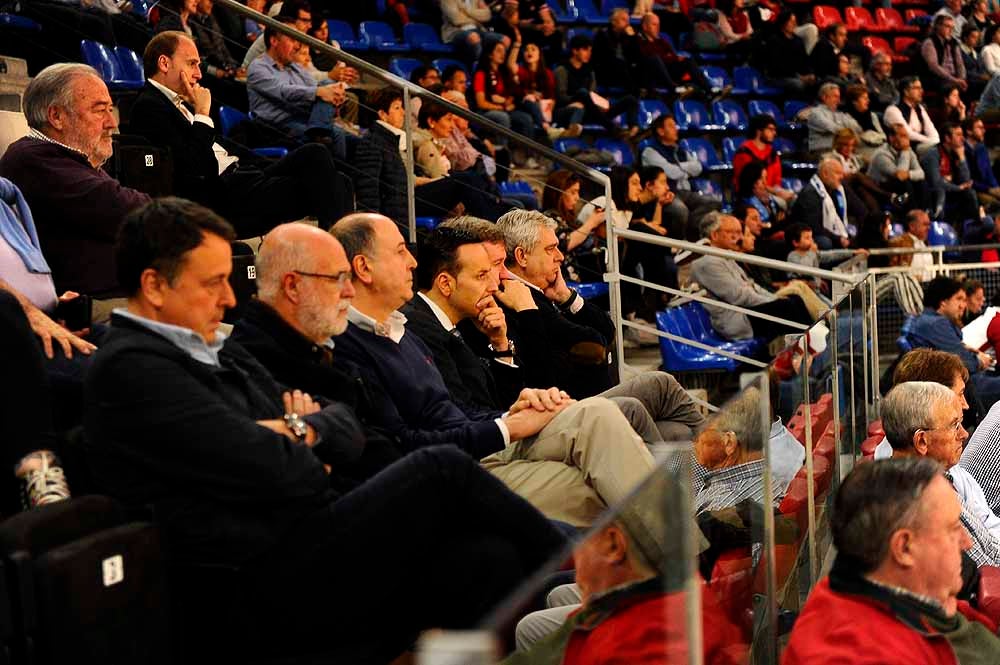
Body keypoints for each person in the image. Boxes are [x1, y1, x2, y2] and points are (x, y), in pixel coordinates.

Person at [84, 198, 569, 663]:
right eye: (213, 283)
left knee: (486, 560)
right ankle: (585, 567)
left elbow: (342, 429)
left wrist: (298, 431)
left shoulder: (210, 350)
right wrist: (305, 437)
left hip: (298, 532)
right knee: (439, 469)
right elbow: (269, 463)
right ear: (153, 285)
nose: (230, 298)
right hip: (247, 576)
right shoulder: (132, 367)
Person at [329, 213, 662, 527]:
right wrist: (507, 424)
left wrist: (505, 359)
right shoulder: (396, 334)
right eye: (484, 273)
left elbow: (595, 337)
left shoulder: (403, 329)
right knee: (598, 468)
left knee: (606, 420)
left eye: (497, 267)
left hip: (485, 436)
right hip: (466, 459)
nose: (498, 281)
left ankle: (692, 529)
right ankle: (689, 548)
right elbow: (408, 440)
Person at [405, 221, 706, 442]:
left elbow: (602, 336)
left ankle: (719, 478)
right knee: (651, 394)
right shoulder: (492, 309)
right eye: (489, 269)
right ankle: (710, 484)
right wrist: (526, 319)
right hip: (549, 410)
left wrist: (564, 296)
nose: (499, 278)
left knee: (672, 424)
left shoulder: (517, 299)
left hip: (550, 406)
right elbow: (541, 379)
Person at [503, 468, 746, 665]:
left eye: (582, 537)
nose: (575, 555)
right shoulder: (647, 605)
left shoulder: (633, 645)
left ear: (613, 545)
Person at [782, 458, 1000, 664]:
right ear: (904, 548)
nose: (967, 542)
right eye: (953, 529)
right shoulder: (857, 654)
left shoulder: (912, 595)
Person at [132, 32, 350, 236]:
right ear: (164, 63)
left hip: (243, 176)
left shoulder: (182, 100)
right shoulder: (149, 106)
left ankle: (339, 251)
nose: (198, 74)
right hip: (223, 197)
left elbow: (218, 148)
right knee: (325, 167)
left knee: (333, 174)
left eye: (198, 65)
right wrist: (201, 114)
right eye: (192, 64)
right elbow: (196, 169)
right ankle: (339, 253)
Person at [0, 63, 151, 311]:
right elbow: (128, 211)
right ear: (56, 116)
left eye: (110, 110)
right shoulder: (31, 159)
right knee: (223, 342)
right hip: (93, 306)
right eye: (100, 110)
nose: (111, 123)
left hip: (128, 295)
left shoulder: (71, 158)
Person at [493, 209, 617, 397]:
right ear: (522, 256)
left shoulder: (538, 291)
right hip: (576, 410)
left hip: (589, 404)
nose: (560, 256)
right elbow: (594, 343)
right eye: (550, 249)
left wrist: (566, 297)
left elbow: (607, 329)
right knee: (659, 387)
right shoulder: (517, 296)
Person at [878, 381, 1000, 567]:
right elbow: (985, 568)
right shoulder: (924, 501)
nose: (964, 434)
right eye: (954, 425)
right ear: (921, 441)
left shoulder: (936, 477)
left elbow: (990, 549)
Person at [355, 87, 511, 226]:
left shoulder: (393, 139)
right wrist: (373, 226)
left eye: (402, 107)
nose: (403, 112)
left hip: (407, 196)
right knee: (465, 180)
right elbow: (369, 190)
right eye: (397, 108)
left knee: (470, 178)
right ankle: (498, 226)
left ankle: (505, 217)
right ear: (382, 114)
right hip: (402, 202)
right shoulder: (373, 142)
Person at [689, 213, 815, 341]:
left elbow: (751, 284)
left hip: (748, 309)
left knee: (794, 299)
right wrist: (773, 302)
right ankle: (810, 347)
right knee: (785, 307)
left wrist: (774, 298)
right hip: (736, 319)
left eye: (739, 232)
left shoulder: (725, 256)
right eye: (733, 232)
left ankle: (813, 345)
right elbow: (739, 296)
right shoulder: (707, 262)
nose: (739, 237)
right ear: (715, 235)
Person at [245, 16, 349, 159]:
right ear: (274, 41)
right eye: (292, 39)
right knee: (335, 135)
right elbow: (283, 91)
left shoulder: (293, 66)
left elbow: (315, 86)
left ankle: (318, 133)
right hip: (276, 128)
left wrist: (334, 95)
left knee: (349, 137)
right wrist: (320, 92)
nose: (297, 46)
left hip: (304, 120)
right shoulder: (258, 67)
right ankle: (331, 171)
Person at [906, 276, 1000, 409]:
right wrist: (978, 360)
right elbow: (965, 364)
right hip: (954, 389)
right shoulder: (936, 324)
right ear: (943, 302)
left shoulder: (927, 320)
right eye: (959, 299)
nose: (963, 305)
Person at [640, 112, 722, 240]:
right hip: (665, 192)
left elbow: (698, 167)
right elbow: (670, 173)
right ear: (661, 131)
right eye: (671, 126)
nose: (676, 129)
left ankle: (691, 235)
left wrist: (679, 167)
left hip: (685, 191)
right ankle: (681, 245)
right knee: (680, 210)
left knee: (713, 202)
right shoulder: (650, 151)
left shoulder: (679, 149)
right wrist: (686, 169)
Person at [553, 33, 639, 139]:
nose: (588, 53)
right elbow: (560, 98)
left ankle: (633, 131)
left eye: (590, 50)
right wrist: (577, 102)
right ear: (575, 51)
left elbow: (593, 95)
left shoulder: (590, 71)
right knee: (582, 92)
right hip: (570, 110)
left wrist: (599, 104)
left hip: (591, 111)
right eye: (585, 50)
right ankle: (611, 128)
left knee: (630, 99)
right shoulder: (562, 70)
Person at [635, 12, 715, 96]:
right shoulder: (639, 39)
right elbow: (646, 56)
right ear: (645, 26)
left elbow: (673, 56)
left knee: (687, 60)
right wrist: (668, 57)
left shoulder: (661, 41)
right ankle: (673, 87)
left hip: (667, 71)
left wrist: (671, 58)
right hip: (651, 75)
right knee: (655, 58)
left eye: (659, 25)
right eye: (654, 25)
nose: (658, 28)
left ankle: (709, 89)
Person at [788, 157, 854, 250]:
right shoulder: (810, 194)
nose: (841, 177)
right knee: (825, 242)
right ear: (825, 174)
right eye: (837, 173)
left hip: (820, 232)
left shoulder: (834, 191)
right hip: (805, 235)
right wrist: (838, 238)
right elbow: (815, 228)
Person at [920, 122, 979, 225]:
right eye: (958, 135)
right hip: (933, 193)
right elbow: (936, 182)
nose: (963, 138)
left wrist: (962, 159)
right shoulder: (932, 154)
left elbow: (966, 181)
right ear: (947, 138)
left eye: (962, 134)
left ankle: (973, 228)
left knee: (970, 193)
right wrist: (958, 188)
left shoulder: (957, 152)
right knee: (940, 191)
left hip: (950, 190)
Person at [731, 114, 794, 205]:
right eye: (770, 129)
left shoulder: (772, 153)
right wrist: (776, 192)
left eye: (775, 130)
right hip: (749, 196)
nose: (774, 133)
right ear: (759, 130)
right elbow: (750, 185)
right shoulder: (744, 152)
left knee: (794, 199)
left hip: (769, 194)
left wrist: (780, 191)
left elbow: (776, 180)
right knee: (782, 203)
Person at [867, 123, 925, 213]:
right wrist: (905, 151)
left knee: (921, 183)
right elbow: (900, 176)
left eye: (906, 135)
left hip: (896, 186)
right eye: (902, 136)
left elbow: (921, 173)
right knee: (905, 183)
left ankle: (925, 213)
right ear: (892, 138)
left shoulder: (908, 150)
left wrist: (909, 174)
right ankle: (911, 215)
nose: (907, 139)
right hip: (880, 189)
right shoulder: (881, 155)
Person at [762, 10, 816, 94]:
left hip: (795, 76)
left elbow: (805, 61)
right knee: (798, 85)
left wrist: (810, 74)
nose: (794, 24)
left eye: (795, 21)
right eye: (791, 21)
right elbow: (777, 67)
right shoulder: (774, 40)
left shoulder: (798, 40)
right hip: (777, 77)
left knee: (816, 82)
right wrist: (799, 77)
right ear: (783, 23)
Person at [884, 76, 940, 153]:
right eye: (917, 88)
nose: (921, 91)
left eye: (921, 88)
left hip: (923, 145)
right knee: (934, 150)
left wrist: (936, 141)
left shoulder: (919, 108)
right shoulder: (893, 110)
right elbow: (908, 134)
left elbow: (930, 128)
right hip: (905, 148)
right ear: (906, 92)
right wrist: (931, 142)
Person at [592, 8, 642, 93]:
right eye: (623, 19)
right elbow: (607, 56)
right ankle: (636, 93)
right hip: (607, 71)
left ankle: (649, 92)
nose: (627, 23)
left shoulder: (627, 36)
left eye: (628, 20)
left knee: (645, 62)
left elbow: (636, 56)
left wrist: (632, 38)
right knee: (620, 63)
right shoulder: (603, 34)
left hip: (624, 71)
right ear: (613, 22)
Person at [807, 82, 863, 155]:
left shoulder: (840, 114)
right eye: (835, 96)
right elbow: (832, 128)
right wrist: (847, 128)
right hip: (822, 151)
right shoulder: (815, 113)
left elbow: (858, 128)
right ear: (824, 97)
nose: (839, 101)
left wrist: (846, 129)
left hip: (840, 151)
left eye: (839, 97)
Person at [922, 14, 967, 94]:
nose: (950, 30)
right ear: (938, 26)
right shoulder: (930, 42)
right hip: (937, 78)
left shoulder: (953, 42)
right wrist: (955, 80)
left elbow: (960, 64)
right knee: (950, 87)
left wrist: (962, 79)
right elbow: (934, 67)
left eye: (952, 28)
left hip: (954, 77)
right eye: (947, 26)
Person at [963, 116, 1000, 210]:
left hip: (988, 187)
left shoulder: (981, 147)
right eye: (979, 128)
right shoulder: (962, 150)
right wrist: (989, 190)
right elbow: (967, 180)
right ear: (969, 131)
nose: (984, 131)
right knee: (995, 204)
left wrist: (996, 187)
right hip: (975, 189)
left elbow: (989, 172)